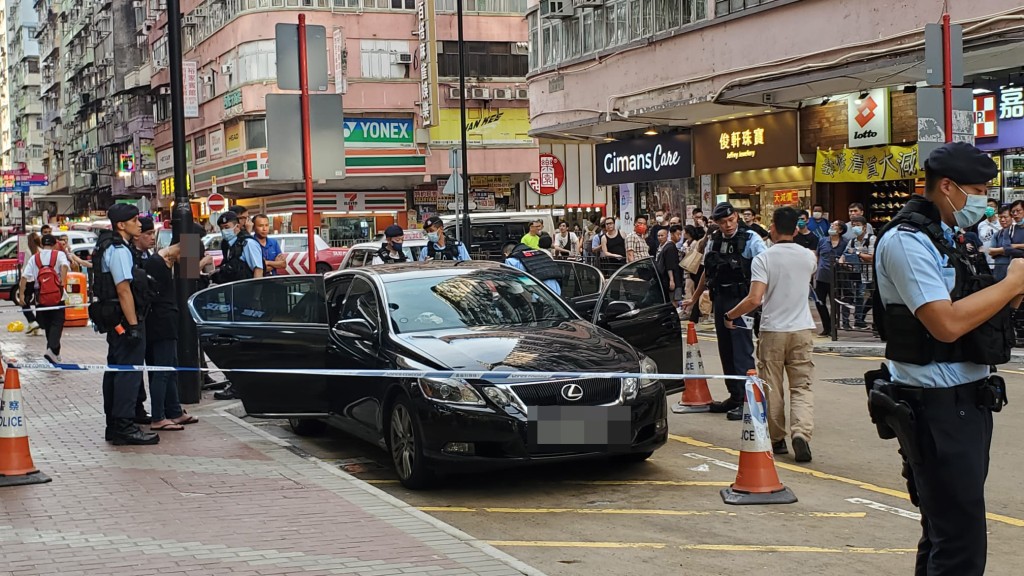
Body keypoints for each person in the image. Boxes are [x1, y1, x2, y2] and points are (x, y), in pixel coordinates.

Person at [869, 142, 1015, 575]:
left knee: (945, 532)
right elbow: (945, 325)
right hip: (936, 407)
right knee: (959, 545)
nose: (985, 199)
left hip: (967, 400)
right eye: (978, 189)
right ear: (947, 186)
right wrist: (1012, 283)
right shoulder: (906, 241)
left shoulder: (945, 235)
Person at [724, 207, 817, 461]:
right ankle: (801, 433)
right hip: (802, 329)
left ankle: (778, 439)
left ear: (773, 228)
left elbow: (755, 298)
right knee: (802, 386)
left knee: (773, 387)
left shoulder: (764, 258)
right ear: (796, 229)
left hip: (773, 330)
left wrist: (730, 315)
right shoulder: (809, 257)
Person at [684, 202, 767, 420]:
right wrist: (693, 298)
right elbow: (707, 271)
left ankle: (748, 401)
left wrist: (762, 298)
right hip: (721, 298)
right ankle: (735, 395)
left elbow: (767, 266)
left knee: (741, 350)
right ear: (717, 223)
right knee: (726, 351)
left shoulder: (751, 239)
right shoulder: (714, 240)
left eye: (731, 220)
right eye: (723, 222)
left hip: (743, 300)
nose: (728, 225)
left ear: (737, 217)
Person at [92, 203, 158, 445]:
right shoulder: (119, 249)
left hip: (113, 317)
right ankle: (124, 426)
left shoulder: (106, 245)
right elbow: (123, 290)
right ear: (122, 225)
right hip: (123, 319)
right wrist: (132, 325)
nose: (139, 224)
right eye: (135, 220)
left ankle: (116, 425)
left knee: (116, 371)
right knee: (127, 374)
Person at [144, 234, 198, 432]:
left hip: (168, 320)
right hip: (161, 323)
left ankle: (174, 410)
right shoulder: (156, 263)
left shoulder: (167, 261)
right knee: (162, 370)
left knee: (171, 367)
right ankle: (158, 416)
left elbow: (190, 275)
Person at [18, 234, 70, 363]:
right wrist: (62, 282)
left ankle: (53, 353)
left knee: (47, 325)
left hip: (40, 298)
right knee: (57, 323)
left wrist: (22, 295)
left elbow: (24, 277)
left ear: (42, 244)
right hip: (57, 297)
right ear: (54, 244)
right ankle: (52, 349)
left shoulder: (35, 258)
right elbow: (64, 266)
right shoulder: (59, 255)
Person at [840, 215, 876, 330]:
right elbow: (844, 255)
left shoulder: (871, 239)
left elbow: (872, 257)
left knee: (873, 296)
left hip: (870, 273)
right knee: (858, 295)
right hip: (856, 273)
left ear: (864, 227)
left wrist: (857, 254)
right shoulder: (852, 241)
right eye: (853, 226)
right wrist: (842, 262)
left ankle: (865, 318)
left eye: (858, 226)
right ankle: (858, 320)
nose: (855, 228)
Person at [814, 222, 849, 336]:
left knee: (835, 303)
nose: (831, 227)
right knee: (820, 302)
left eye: (834, 226)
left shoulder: (845, 243)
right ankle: (826, 326)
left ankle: (834, 326)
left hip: (836, 277)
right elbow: (817, 256)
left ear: (840, 230)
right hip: (821, 276)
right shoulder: (823, 241)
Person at [212, 211, 264, 284]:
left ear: (237, 226)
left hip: (247, 290)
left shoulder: (248, 243)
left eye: (227, 227)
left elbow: (258, 271)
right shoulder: (228, 245)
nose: (224, 231)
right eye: (221, 228)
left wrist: (255, 295)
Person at [988, 204, 1018, 280]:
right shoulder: (997, 235)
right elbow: (991, 251)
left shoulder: (1019, 232)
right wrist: (1009, 250)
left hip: (1016, 273)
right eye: (1000, 217)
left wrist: (999, 251)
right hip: (999, 273)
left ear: (1012, 217)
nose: (1002, 220)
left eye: (1005, 217)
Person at [20, 232, 42, 335]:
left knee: (25, 302)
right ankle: (36, 325)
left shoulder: (27, 252)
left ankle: (32, 321)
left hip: (28, 280)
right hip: (38, 280)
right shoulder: (41, 251)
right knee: (38, 303)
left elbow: (25, 269)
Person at [653, 228, 681, 304]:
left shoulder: (670, 247)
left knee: (673, 300)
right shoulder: (660, 247)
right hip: (662, 277)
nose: (660, 237)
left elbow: (670, 265)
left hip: (670, 278)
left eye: (662, 235)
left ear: (667, 236)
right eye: (658, 236)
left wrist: (671, 280)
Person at [976, 198, 1001, 270]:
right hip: (987, 262)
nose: (988, 208)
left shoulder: (1002, 222)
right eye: (987, 206)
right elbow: (981, 242)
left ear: (996, 209)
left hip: (1000, 262)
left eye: (991, 206)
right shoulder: (981, 225)